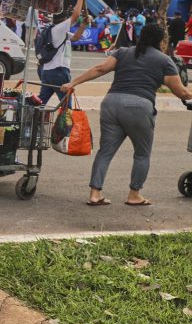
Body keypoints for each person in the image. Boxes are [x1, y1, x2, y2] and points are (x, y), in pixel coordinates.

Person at [61, 23, 192, 207]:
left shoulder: (123, 52)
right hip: (139, 107)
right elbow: (181, 92)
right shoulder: (164, 60)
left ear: (140, 36)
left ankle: (95, 194)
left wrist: (72, 83)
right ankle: (134, 195)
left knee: (105, 152)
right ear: (161, 41)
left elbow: (100, 69)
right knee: (142, 154)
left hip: (111, 103)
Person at [37, 0, 87, 105]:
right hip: (59, 71)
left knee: (41, 102)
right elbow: (75, 16)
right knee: (66, 106)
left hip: (47, 72)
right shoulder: (59, 29)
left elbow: (76, 38)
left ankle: (31, 115)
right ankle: (65, 119)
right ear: (64, 20)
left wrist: (83, 25)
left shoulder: (56, 31)